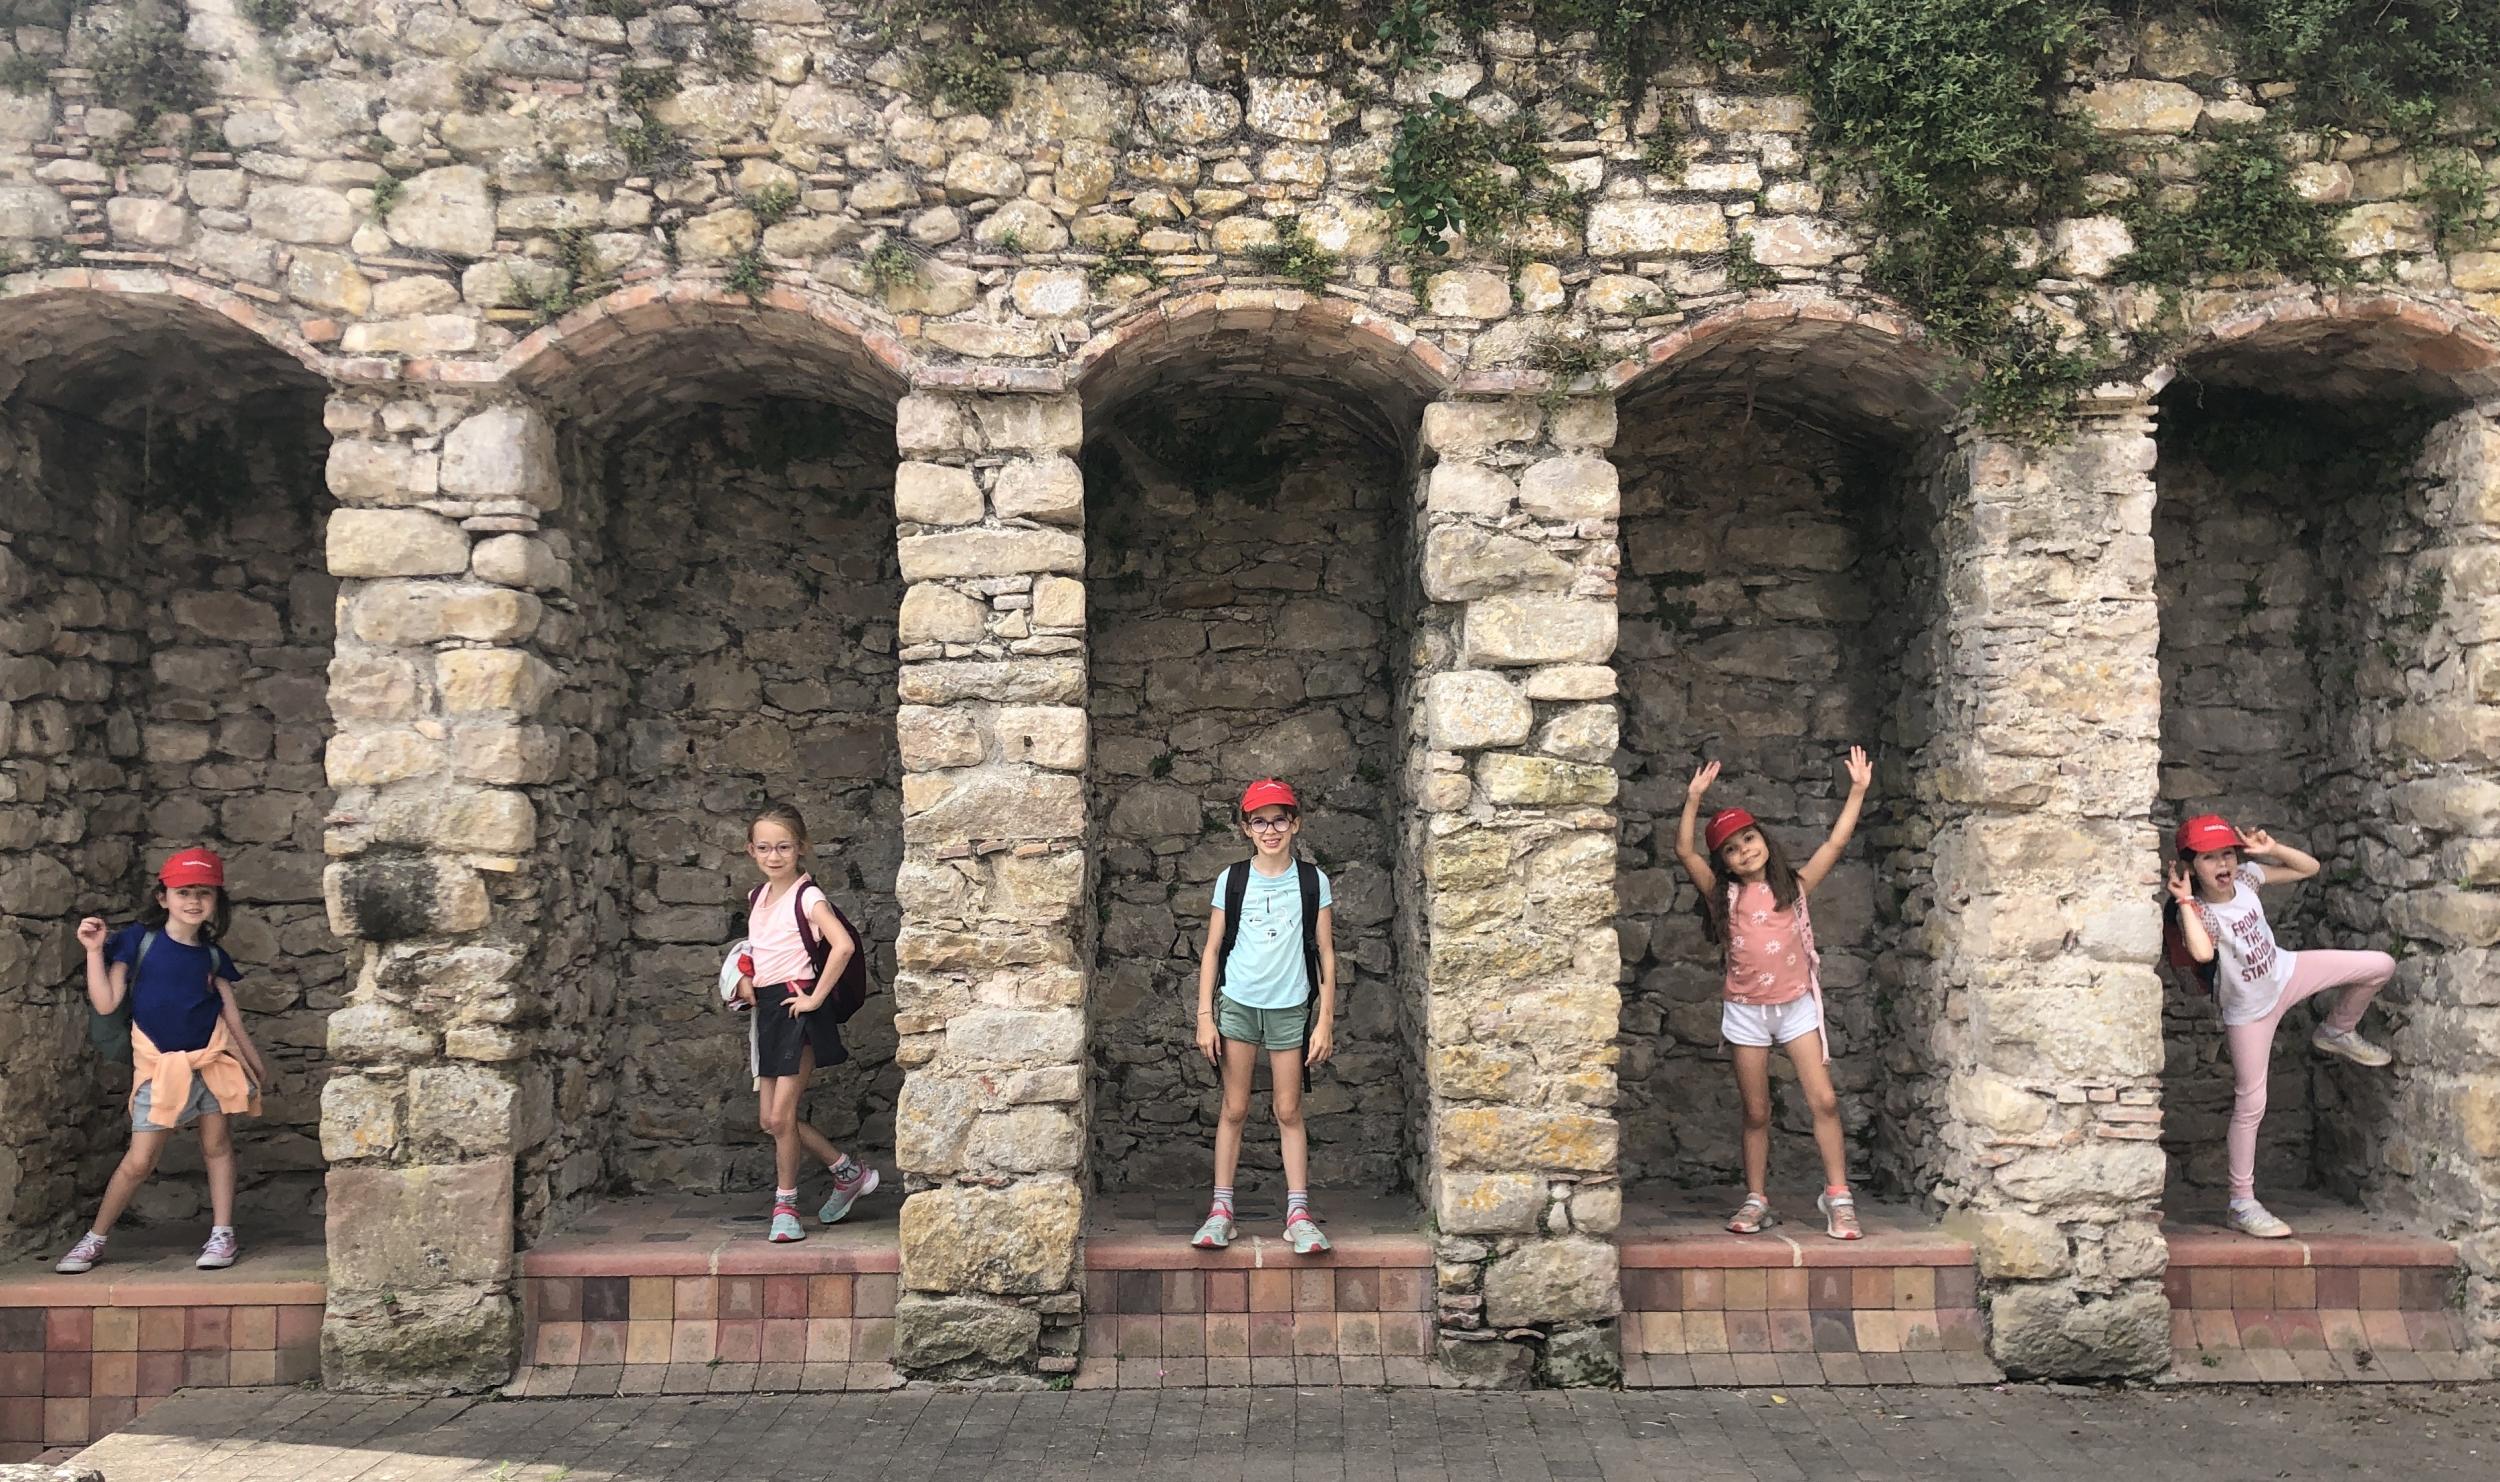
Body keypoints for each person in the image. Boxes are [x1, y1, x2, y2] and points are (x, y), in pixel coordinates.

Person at [2163, 813, 2394, 1239]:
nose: (2223, 864)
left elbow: (2309, 868)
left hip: (2286, 973)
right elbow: (2200, 953)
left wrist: (2271, 849)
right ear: (2191, 866)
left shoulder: (2247, 879)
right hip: (2249, 1011)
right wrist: (2184, 901)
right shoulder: (2199, 911)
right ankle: (2241, 1203)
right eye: (2209, 857)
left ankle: (2337, 1030)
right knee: (2251, 1104)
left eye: (2228, 853)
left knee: (2380, 965)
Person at [1675, 749, 1873, 1240]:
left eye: (1749, 838)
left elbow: (1836, 841)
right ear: (1724, 863)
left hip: (1796, 1008)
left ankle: (1838, 1196)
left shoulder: (1796, 888)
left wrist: (1858, 791)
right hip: (1746, 1013)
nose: (1745, 851)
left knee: (1824, 1100)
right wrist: (1693, 799)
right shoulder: (1723, 895)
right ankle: (1756, 1198)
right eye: (1732, 849)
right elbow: (1685, 853)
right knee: (1757, 1111)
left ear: (1763, 838)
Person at [56, 848, 270, 1274]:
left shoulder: (211, 955)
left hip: (211, 1062)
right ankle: (95, 1238)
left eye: (204, 893)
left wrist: (255, 1066)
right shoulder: (138, 941)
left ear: (217, 901)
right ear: (162, 897)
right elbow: (107, 1003)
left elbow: (231, 1016)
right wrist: (94, 951)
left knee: (217, 1147)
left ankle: (222, 1233)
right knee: (139, 1160)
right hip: (159, 1068)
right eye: (183, 892)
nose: (194, 901)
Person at [1191, 779, 1337, 1256]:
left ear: (1294, 824)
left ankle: (1298, 1215)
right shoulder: (1232, 880)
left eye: (1279, 820)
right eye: (1259, 821)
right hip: (1238, 1003)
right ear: (1246, 828)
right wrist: (1205, 1015)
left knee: (1288, 1110)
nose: (1270, 830)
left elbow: (1325, 954)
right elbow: (1212, 950)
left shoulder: (1313, 881)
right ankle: (1221, 1212)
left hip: (1290, 1007)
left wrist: (1325, 1020)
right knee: (1234, 1108)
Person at [734, 803, 877, 1242]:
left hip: (799, 1010)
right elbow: (759, 949)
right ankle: (847, 1172)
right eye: (764, 847)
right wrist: (744, 976)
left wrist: (815, 997)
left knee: (781, 1115)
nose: (773, 856)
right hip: (769, 1011)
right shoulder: (757, 897)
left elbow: (842, 946)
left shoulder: (808, 897)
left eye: (783, 847)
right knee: (770, 1120)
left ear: (801, 848)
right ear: (751, 850)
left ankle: (786, 1207)